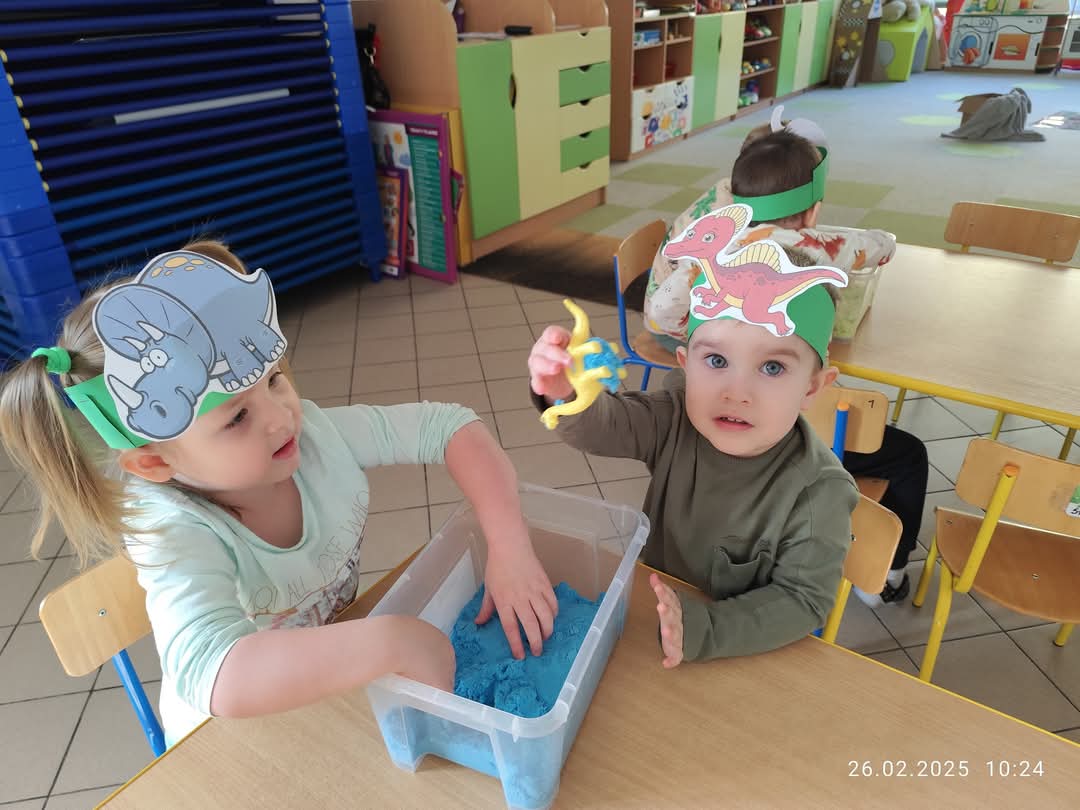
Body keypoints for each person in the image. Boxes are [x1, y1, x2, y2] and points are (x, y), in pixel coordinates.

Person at [0, 239, 557, 746]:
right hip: (229, 742)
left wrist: (509, 547)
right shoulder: (170, 531)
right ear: (154, 462)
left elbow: (450, 427)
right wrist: (392, 641)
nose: (281, 417)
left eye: (273, 380)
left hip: (328, 688)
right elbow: (207, 670)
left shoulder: (314, 437)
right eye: (237, 417)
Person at [529, 203, 860, 667]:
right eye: (716, 361)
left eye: (771, 367)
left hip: (736, 654)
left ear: (812, 387)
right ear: (685, 365)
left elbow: (802, 601)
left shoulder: (818, 492)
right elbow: (605, 426)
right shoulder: (675, 418)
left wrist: (704, 629)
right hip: (648, 624)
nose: (735, 393)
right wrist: (564, 392)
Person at [644, 113, 926, 606]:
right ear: (813, 211)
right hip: (788, 429)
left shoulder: (712, 231)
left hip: (709, 406)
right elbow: (883, 246)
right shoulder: (821, 244)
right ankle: (889, 576)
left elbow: (657, 315)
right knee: (909, 455)